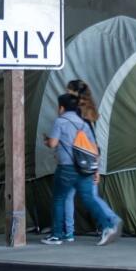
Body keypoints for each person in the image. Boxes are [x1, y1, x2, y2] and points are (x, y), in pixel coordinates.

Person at [42, 92, 122, 246]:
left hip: (66, 168)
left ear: (61, 107)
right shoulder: (83, 124)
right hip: (85, 169)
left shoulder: (61, 121)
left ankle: (57, 235)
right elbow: (94, 150)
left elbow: (53, 144)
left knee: (59, 199)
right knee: (89, 198)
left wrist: (47, 141)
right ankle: (110, 223)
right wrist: (96, 170)